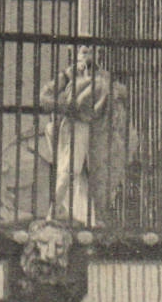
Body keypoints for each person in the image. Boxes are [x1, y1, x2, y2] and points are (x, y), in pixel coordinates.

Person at [39, 44, 128, 224]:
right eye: (84, 51)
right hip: (77, 125)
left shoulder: (104, 76)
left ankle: (94, 217)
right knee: (71, 169)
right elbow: (45, 97)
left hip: (99, 129)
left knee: (99, 172)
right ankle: (53, 211)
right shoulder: (68, 75)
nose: (88, 55)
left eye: (92, 51)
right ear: (76, 54)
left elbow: (121, 94)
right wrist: (68, 107)